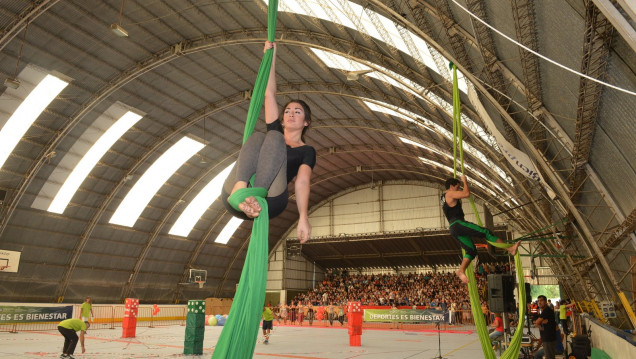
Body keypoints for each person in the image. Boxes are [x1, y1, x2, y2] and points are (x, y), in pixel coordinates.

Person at [221, 41, 316, 243]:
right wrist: (270, 58)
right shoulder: (273, 131)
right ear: (282, 119)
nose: (291, 114)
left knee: (273, 137)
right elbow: (269, 93)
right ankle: (241, 189)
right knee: (257, 136)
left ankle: (255, 195)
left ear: (306, 122)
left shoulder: (306, 150)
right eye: (288, 111)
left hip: (271, 199)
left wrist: (303, 218)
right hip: (236, 195)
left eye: (297, 112)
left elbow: (302, 182)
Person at [442, 175, 521, 283]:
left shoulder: (443, 197)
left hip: (453, 228)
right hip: (458, 224)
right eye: (457, 187)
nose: (459, 190)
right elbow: (466, 194)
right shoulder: (449, 193)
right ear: (451, 186)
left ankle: (461, 270)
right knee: (486, 232)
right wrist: (465, 182)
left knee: (471, 250)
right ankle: (510, 249)